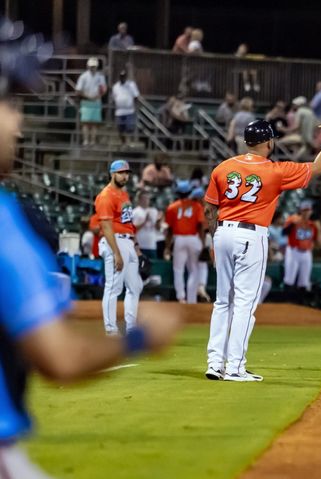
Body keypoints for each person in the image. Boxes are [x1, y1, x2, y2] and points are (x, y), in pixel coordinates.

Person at [0, 107, 179, 479]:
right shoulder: (9, 221)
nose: (18, 124)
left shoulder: (126, 198)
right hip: (116, 245)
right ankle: (120, 326)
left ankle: (124, 322)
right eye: (9, 103)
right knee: (115, 289)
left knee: (127, 289)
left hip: (129, 244)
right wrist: (142, 338)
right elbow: (61, 358)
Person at [203, 112, 321, 382]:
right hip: (251, 235)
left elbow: (210, 207)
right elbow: (318, 168)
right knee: (245, 303)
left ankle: (214, 363)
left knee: (222, 301)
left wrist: (213, 240)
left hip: (222, 232)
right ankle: (234, 367)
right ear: (268, 143)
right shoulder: (274, 170)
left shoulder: (223, 167)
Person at [96, 160, 145, 335]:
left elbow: (128, 223)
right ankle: (111, 330)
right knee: (113, 288)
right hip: (114, 241)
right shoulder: (106, 195)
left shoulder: (123, 195)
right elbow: (107, 226)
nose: (125, 176)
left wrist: (136, 245)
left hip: (128, 242)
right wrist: (116, 253)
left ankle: (131, 328)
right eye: (121, 172)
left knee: (135, 286)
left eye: (127, 173)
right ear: (112, 173)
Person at [165, 180, 206, 304]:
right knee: (194, 270)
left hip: (179, 239)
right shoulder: (197, 206)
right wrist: (202, 243)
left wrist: (167, 247)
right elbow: (200, 227)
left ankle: (181, 297)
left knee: (178, 269)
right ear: (189, 192)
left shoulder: (172, 207)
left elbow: (170, 230)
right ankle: (192, 299)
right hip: (193, 239)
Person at [283, 200, 321, 301]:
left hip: (306, 253)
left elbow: (319, 243)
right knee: (289, 278)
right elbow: (284, 232)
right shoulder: (293, 219)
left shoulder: (313, 224)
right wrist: (292, 224)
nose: (306, 212)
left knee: (304, 280)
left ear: (311, 211)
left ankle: (301, 304)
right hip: (293, 251)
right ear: (300, 210)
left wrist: (320, 229)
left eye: (308, 210)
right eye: (304, 210)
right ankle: (287, 303)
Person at [75, 57, 106, 146]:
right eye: (91, 66)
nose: (93, 68)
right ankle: (86, 140)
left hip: (96, 101)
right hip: (86, 102)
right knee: (85, 122)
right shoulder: (83, 76)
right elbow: (78, 90)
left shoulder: (100, 76)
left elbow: (103, 89)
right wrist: (88, 96)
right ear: (88, 66)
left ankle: (92, 141)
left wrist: (98, 96)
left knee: (94, 123)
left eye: (94, 66)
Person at [111, 70, 140, 147]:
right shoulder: (115, 86)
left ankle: (128, 142)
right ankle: (123, 142)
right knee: (120, 129)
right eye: (121, 77)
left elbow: (136, 96)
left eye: (124, 77)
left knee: (129, 128)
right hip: (119, 111)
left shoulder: (131, 85)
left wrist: (136, 106)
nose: (122, 78)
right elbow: (114, 98)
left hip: (129, 111)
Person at [132, 189, 159, 258]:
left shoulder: (154, 211)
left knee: (152, 267)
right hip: (140, 245)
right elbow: (133, 229)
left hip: (152, 245)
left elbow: (157, 229)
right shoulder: (135, 212)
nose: (146, 200)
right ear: (139, 199)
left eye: (148, 198)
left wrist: (158, 221)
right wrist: (144, 221)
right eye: (144, 198)